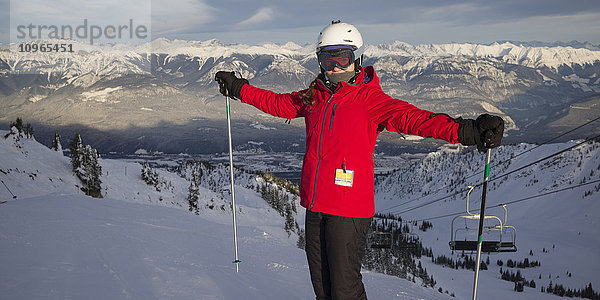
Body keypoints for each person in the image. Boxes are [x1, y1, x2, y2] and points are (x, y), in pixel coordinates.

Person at [215, 21, 504, 300]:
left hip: (348, 209)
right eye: (327, 60)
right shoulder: (314, 96)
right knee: (323, 288)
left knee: (345, 290)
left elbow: (415, 119)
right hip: (315, 207)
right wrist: (240, 89)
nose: (336, 67)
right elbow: (278, 104)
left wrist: (466, 131)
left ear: (358, 59)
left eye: (343, 58)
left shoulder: (369, 100)